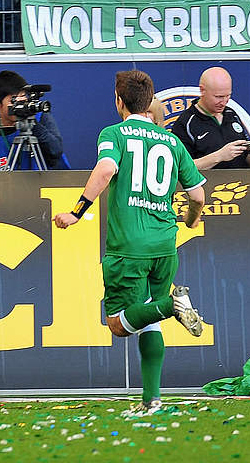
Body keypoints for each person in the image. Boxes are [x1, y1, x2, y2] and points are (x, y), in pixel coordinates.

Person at [51, 69, 206, 415]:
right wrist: (193, 218)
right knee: (147, 319)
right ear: (150, 102)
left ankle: (173, 306)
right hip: (165, 245)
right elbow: (198, 194)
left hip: (129, 246)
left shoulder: (114, 134)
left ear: (119, 101)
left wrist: (77, 212)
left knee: (119, 323)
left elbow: (106, 170)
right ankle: (152, 401)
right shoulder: (171, 141)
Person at [0, 70, 68, 171]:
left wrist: (32, 123)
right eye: (13, 100)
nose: (20, 105)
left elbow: (55, 151)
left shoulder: (39, 118)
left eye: (23, 97)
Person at [170, 66, 250, 170]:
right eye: (218, 97)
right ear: (202, 90)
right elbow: (181, 168)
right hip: (208, 185)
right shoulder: (185, 123)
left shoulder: (231, 114)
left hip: (242, 183)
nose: (224, 102)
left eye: (228, 96)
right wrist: (219, 156)